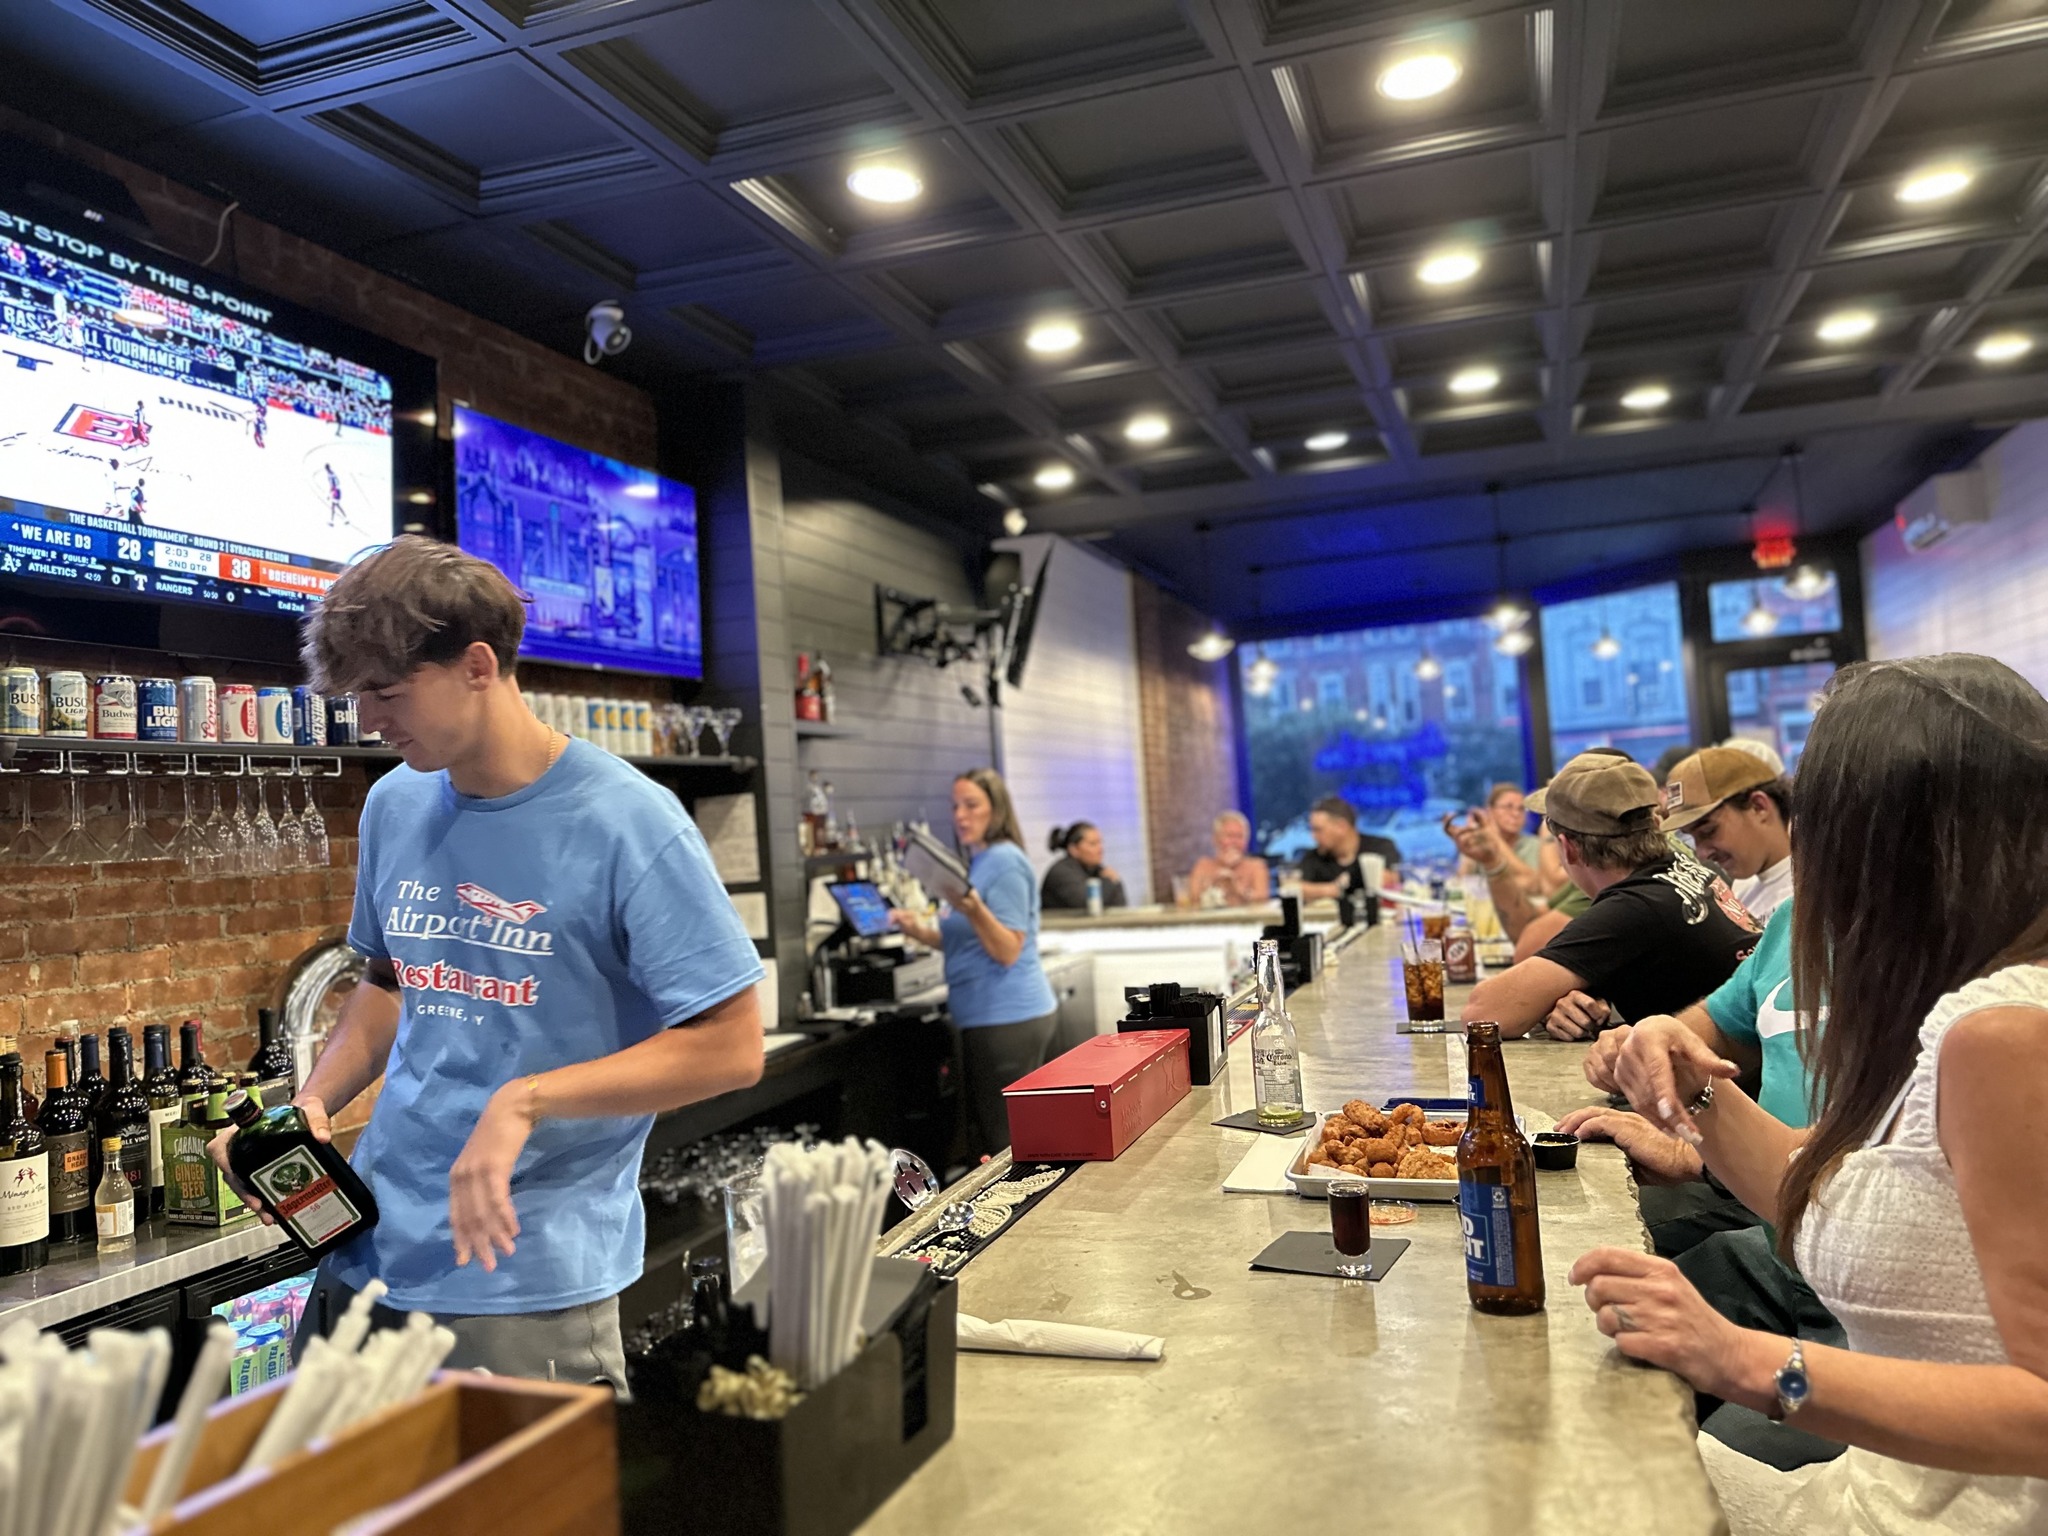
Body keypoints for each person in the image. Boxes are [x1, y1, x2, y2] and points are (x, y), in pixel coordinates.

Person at [213, 537, 765, 1390]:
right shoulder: (396, 802)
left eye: (387, 693)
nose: (370, 721)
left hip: (523, 1275)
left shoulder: (629, 822)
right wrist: (311, 1107)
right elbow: (389, 984)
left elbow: (732, 1046)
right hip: (366, 1254)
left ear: (477, 665)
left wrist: (526, 1101)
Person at [1570, 656, 2048, 1533]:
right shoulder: (1959, 1001)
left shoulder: (2006, 1033)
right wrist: (1693, 1090)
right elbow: (1831, 1175)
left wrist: (1746, 1361)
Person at [1460, 751, 1759, 1038]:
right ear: (1655, 824)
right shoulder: (1693, 870)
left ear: (1568, 848)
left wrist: (1540, 1000)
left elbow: (1481, 1014)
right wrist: (1566, 1001)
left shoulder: (1633, 906)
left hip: (1734, 1083)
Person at [890, 769, 1056, 1161]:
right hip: (987, 1017)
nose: (960, 815)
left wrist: (974, 906)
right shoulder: (981, 862)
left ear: (996, 809)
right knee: (991, 1139)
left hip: (1007, 1017)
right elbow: (968, 939)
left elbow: (1007, 949)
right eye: (955, 806)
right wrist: (919, 931)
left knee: (1002, 1147)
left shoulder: (1005, 863)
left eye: (971, 805)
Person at [1660, 747, 1794, 921]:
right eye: (1692, 838)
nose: (1702, 854)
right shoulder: (1740, 890)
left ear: (1758, 807)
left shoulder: (1823, 887)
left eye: (1708, 832)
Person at [1297, 796, 1400, 901]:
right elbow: (1294, 887)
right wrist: (1332, 889)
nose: (1313, 836)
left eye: (1318, 830)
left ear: (1341, 827)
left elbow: (1388, 879)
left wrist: (1341, 886)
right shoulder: (1314, 857)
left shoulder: (1379, 847)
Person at [1041, 821, 1128, 911]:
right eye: (1093, 844)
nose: (1100, 849)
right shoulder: (1061, 873)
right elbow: (1086, 905)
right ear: (1074, 849)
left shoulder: (1099, 871)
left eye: (1100, 843)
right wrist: (1108, 881)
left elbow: (1120, 906)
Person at [1187, 810, 1268, 906]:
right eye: (1229, 836)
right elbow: (1192, 899)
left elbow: (1263, 899)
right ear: (1215, 839)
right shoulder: (1203, 865)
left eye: (1239, 836)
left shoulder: (1256, 866)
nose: (1234, 842)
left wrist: (1237, 888)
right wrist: (1213, 881)